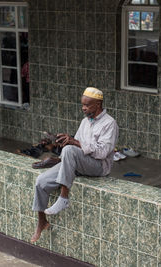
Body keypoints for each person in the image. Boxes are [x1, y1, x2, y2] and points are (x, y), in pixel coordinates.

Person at [31, 87, 119, 242]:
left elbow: (102, 153)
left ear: (98, 104)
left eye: (87, 105)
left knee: (71, 149)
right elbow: (74, 150)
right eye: (82, 105)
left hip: (99, 166)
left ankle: (64, 197)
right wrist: (55, 156)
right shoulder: (85, 121)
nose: (83, 108)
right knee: (41, 182)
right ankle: (42, 221)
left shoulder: (109, 124)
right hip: (80, 164)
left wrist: (73, 142)